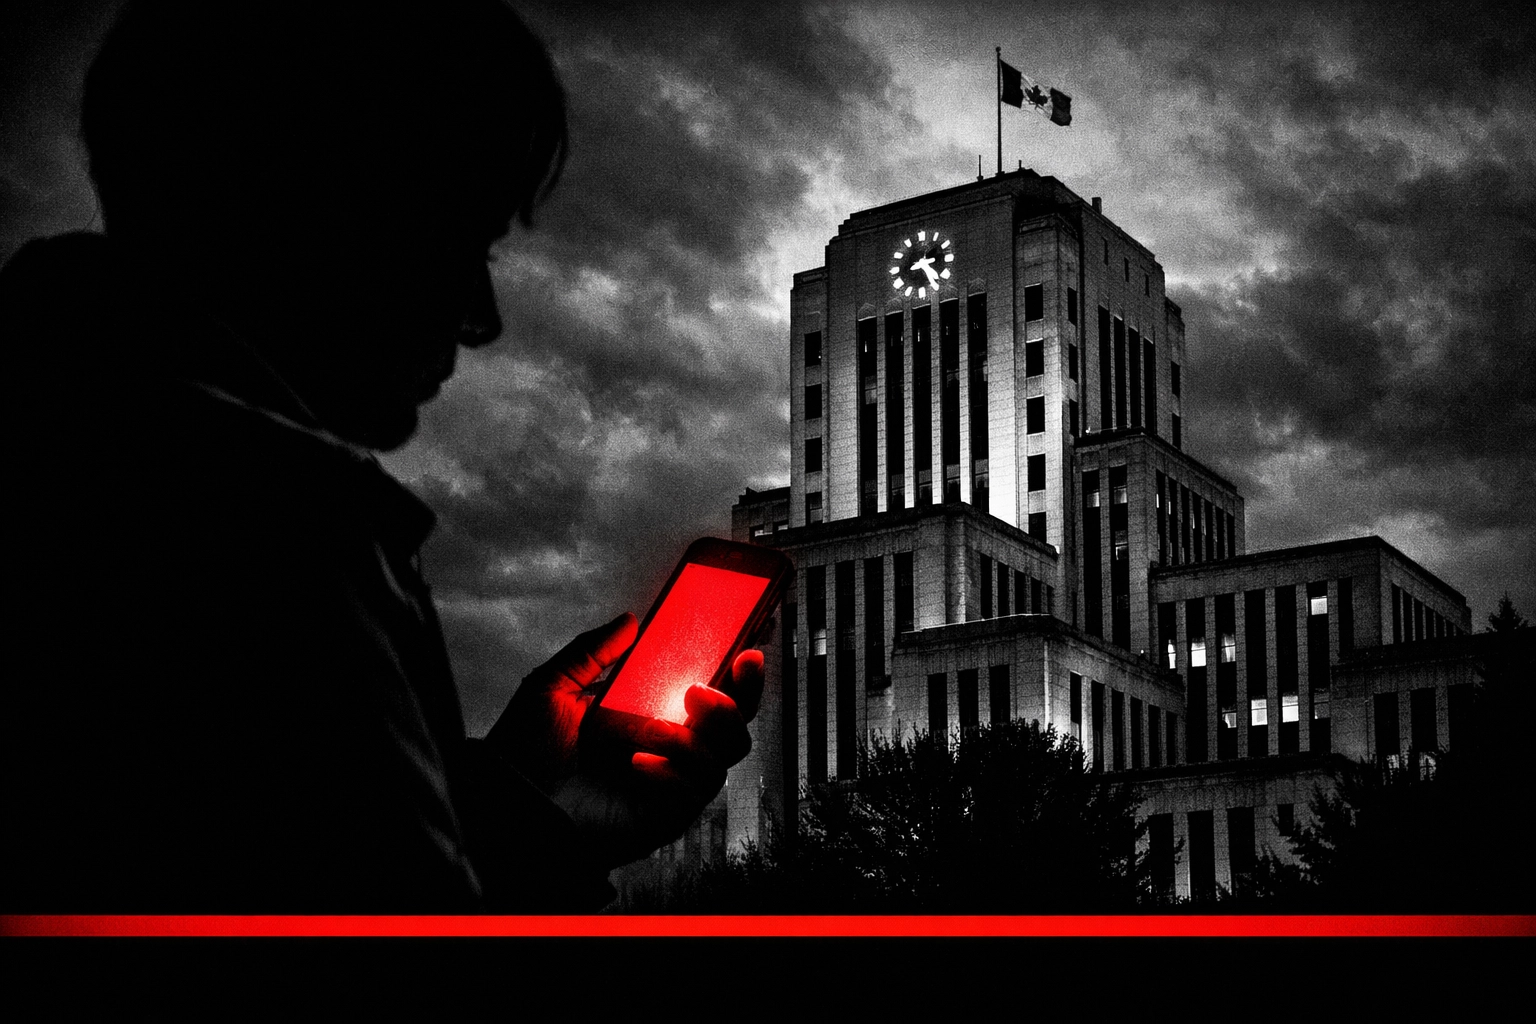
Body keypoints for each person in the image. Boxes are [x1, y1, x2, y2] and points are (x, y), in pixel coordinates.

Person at [0, 0, 761, 912]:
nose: (483, 320)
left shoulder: (81, 437)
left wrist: (519, 807)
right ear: (313, 208)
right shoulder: (269, 545)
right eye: (462, 244)